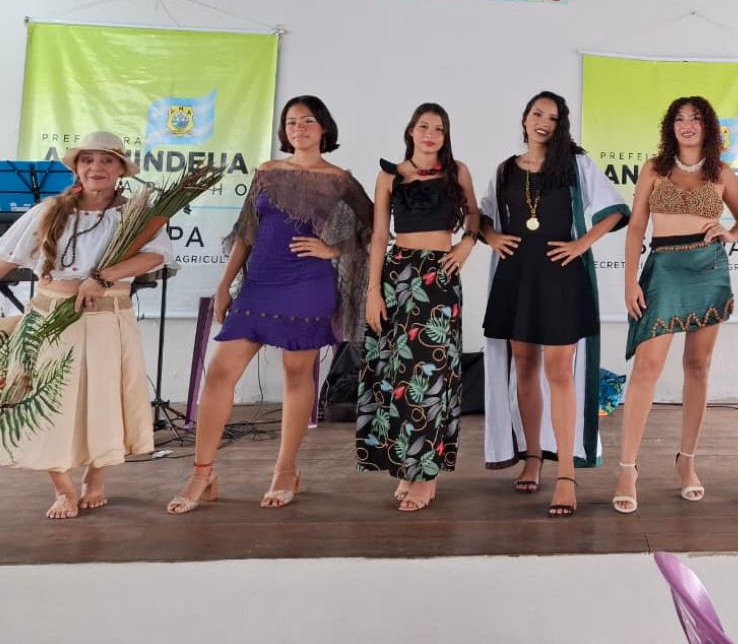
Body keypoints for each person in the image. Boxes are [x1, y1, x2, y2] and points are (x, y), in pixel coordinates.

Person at [167, 96, 372, 514]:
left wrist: (332, 249)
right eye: (291, 122)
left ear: (324, 128)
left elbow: (372, 229)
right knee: (220, 373)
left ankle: (285, 470)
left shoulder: (340, 180)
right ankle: (202, 473)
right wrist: (224, 285)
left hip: (308, 284)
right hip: (259, 284)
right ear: (284, 130)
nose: (299, 128)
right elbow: (247, 231)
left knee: (296, 375)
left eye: (308, 121)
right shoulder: (266, 171)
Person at [0, 132, 171, 520]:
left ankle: (96, 478)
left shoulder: (136, 215)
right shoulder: (50, 210)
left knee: (104, 402)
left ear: (120, 170)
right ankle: (63, 488)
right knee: (46, 404)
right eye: (88, 160)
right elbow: (6, 258)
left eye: (107, 160)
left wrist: (103, 277)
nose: (96, 167)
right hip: (51, 319)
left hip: (109, 320)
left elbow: (155, 256)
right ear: (77, 168)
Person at [480, 91, 629, 518]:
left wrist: (582, 244)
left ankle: (565, 472)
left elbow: (615, 210)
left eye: (553, 117)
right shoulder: (505, 169)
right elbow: (482, 216)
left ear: (560, 124)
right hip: (517, 277)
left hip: (560, 276)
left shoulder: (575, 164)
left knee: (560, 372)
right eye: (537, 114)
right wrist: (492, 237)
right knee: (524, 367)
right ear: (525, 119)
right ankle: (532, 455)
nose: (543, 122)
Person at [614, 96, 738, 513]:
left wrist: (730, 233)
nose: (687, 125)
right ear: (670, 127)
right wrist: (630, 281)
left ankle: (687, 461)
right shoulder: (654, 169)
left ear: (707, 126)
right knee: (647, 368)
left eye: (695, 118)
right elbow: (636, 226)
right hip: (665, 269)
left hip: (709, 269)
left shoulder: (721, 172)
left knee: (698, 366)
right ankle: (627, 468)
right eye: (679, 119)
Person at [356, 103, 479, 512]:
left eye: (439, 128)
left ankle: (426, 474)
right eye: (423, 126)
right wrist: (372, 290)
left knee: (431, 376)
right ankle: (407, 465)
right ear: (410, 131)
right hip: (396, 276)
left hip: (439, 276)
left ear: (446, 135)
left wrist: (465, 245)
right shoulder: (389, 176)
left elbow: (475, 216)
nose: (430, 134)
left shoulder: (457, 171)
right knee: (396, 374)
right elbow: (379, 236)